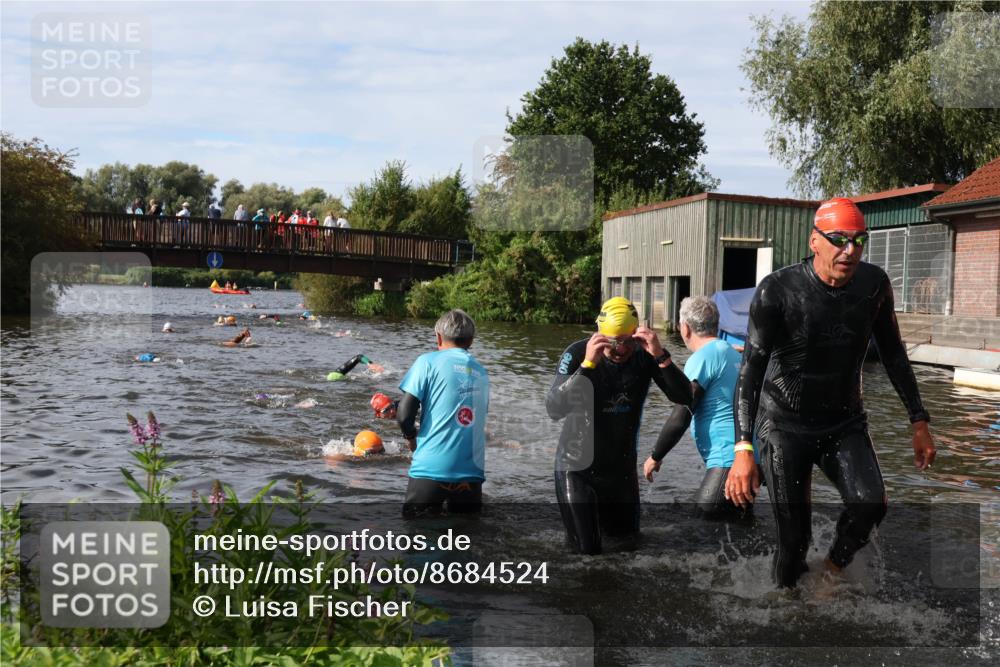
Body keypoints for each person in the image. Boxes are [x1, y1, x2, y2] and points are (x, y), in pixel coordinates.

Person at [727, 197, 936, 588]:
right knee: (794, 539)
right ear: (814, 241)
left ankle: (832, 572)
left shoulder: (874, 285)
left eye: (859, 240)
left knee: (870, 503)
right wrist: (742, 449)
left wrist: (919, 419)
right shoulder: (778, 290)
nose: (850, 250)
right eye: (839, 239)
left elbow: (893, 354)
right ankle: (785, 609)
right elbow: (750, 370)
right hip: (783, 425)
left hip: (843, 421)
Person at [547, 297, 692, 555]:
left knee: (630, 549)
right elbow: (555, 408)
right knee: (587, 553)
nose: (621, 349)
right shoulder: (578, 353)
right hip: (576, 469)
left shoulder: (645, 355)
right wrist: (587, 366)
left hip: (620, 472)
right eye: (614, 342)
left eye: (627, 341)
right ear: (600, 334)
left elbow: (684, 397)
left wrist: (661, 355)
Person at [643, 296, 754, 521]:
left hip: (727, 460)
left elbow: (683, 411)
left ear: (684, 328)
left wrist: (656, 455)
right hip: (747, 458)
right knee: (739, 535)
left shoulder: (703, 356)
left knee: (700, 530)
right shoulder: (730, 352)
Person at [396, 310, 489, 518]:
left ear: (438, 336)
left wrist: (410, 438)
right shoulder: (482, 373)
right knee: (466, 543)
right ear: (471, 341)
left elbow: (404, 414)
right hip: (471, 476)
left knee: (416, 538)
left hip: (430, 471)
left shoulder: (426, 362)